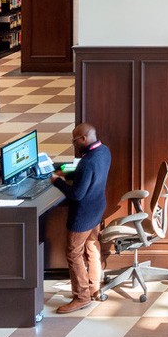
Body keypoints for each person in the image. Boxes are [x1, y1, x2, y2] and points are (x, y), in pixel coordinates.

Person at [50, 123, 110, 314]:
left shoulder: (87, 162)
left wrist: (57, 181)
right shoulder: (104, 151)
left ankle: (81, 297)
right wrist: (67, 172)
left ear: (83, 139)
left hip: (83, 215)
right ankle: (94, 288)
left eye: (74, 141)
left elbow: (76, 194)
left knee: (73, 253)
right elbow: (89, 175)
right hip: (98, 208)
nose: (74, 144)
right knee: (92, 247)